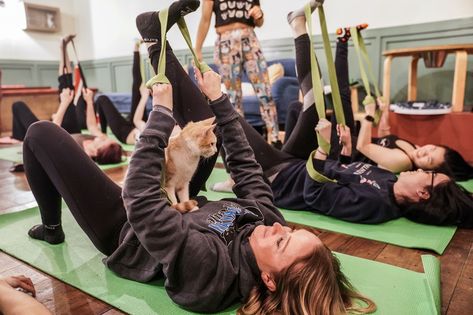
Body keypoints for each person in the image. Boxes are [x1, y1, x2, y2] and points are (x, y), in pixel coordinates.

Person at [23, 2, 375, 314]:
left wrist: (160, 115)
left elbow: (141, 204)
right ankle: (156, 40)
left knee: (41, 133)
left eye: (283, 241)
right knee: (209, 132)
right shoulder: (265, 222)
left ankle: (52, 228)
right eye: (292, 230)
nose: (280, 226)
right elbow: (248, 168)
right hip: (179, 199)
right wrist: (219, 100)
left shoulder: (212, 270)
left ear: (269, 279)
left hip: (127, 226)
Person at [231, 3, 473, 227]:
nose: (421, 169)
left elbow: (313, 195)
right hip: (295, 163)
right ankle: (298, 26)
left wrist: (325, 148)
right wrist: (344, 151)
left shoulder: (376, 205)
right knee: (311, 98)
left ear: (423, 194)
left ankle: (242, 178)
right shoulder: (389, 178)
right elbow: (344, 172)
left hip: (278, 180)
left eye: (428, 171)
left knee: (226, 118)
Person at [283, 23, 473, 182]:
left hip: (343, 150)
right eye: (432, 148)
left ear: (427, 171)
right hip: (349, 136)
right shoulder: (414, 148)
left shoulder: (403, 162)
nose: (425, 152)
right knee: (341, 94)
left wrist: (369, 115)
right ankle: (343, 40)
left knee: (297, 108)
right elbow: (385, 137)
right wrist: (383, 113)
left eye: (429, 160)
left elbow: (363, 147)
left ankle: (287, 158)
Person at [0, 36, 123, 165]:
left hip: (46, 135)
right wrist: (89, 102)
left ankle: (19, 137)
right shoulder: (101, 142)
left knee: (18, 105)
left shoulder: (79, 154)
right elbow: (92, 126)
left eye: (102, 142)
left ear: (94, 153)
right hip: (71, 131)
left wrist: (64, 104)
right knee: (67, 89)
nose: (102, 138)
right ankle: (63, 48)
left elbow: (50, 132)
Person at [195, 0, 281, 146]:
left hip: (250, 39)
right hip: (225, 42)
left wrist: (259, 15)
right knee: (234, 98)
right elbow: (205, 19)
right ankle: (241, 142)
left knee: (265, 91)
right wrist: (197, 49)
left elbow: (259, 21)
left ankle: (274, 139)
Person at [94, 40, 151, 145]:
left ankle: (103, 134)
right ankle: (136, 49)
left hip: (125, 133)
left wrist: (144, 97)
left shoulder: (151, 135)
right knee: (137, 85)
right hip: (137, 124)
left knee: (102, 99)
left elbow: (136, 121)